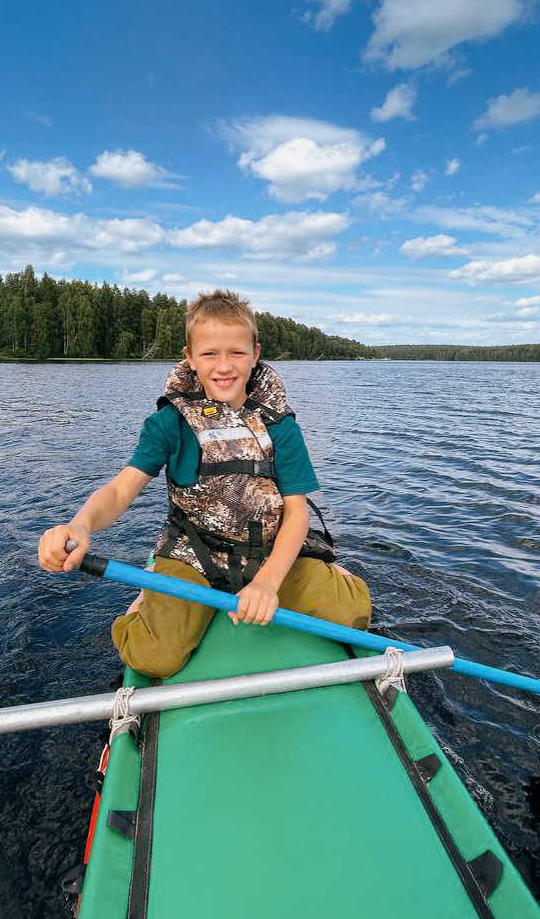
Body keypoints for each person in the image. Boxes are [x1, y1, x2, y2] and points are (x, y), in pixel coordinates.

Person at [37, 289, 371, 677]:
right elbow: (120, 489)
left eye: (237, 353)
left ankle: (332, 573)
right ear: (190, 358)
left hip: (269, 553)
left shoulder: (281, 425)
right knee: (152, 659)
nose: (224, 366)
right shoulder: (168, 423)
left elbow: (296, 513)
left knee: (354, 616)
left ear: (255, 354)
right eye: (210, 353)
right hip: (193, 555)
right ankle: (147, 599)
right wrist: (79, 525)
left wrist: (266, 583)